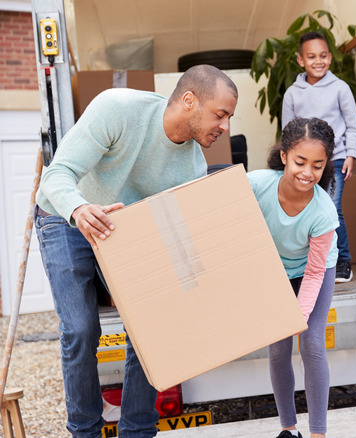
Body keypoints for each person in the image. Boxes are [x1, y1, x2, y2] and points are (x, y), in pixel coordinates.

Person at [35, 64, 237, 438]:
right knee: (81, 329)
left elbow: (177, 238)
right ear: (189, 101)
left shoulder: (193, 166)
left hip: (123, 231)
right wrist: (80, 209)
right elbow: (56, 175)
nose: (225, 126)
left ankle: (137, 432)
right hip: (66, 217)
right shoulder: (119, 109)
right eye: (220, 114)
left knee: (152, 327)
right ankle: (85, 431)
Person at [247, 118, 339, 438]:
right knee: (278, 349)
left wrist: (298, 315)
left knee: (311, 342)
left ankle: (318, 434)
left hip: (315, 271)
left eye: (317, 165)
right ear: (284, 156)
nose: (307, 172)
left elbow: (314, 273)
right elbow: (220, 201)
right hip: (275, 272)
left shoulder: (323, 211)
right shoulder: (257, 184)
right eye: (300, 162)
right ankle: (289, 429)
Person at [282, 31, 356, 283]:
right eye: (312, 56)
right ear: (300, 60)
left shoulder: (340, 88)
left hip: (335, 160)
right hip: (304, 165)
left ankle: (342, 262)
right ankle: (313, 262)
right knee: (307, 209)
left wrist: (351, 154)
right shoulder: (292, 94)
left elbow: (353, 125)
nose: (319, 61)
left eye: (323, 55)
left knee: (332, 208)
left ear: (330, 57)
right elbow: (287, 132)